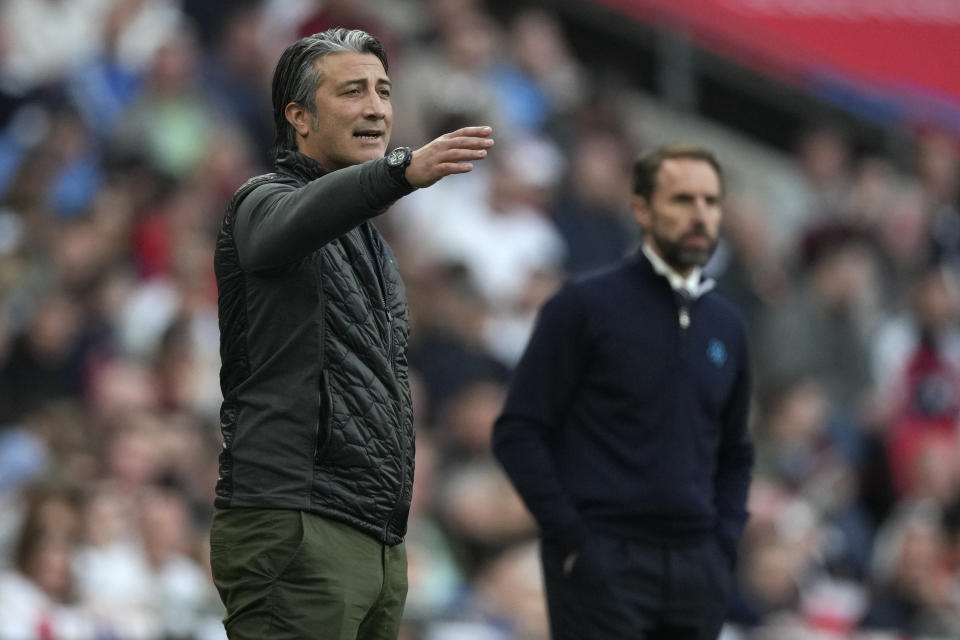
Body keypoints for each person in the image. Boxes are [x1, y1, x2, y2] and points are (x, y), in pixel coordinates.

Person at [210, 28, 493, 639]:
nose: (376, 108)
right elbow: (293, 220)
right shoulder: (260, 201)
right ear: (299, 117)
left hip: (376, 540)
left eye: (385, 92)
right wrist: (400, 172)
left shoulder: (373, 246)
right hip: (299, 522)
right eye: (353, 91)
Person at [493, 144, 754, 639]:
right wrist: (572, 537)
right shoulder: (583, 307)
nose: (700, 214)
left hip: (696, 569)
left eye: (711, 201)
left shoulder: (727, 326)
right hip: (603, 559)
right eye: (682, 200)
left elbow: (735, 451)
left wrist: (722, 545)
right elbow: (519, 431)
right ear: (641, 209)